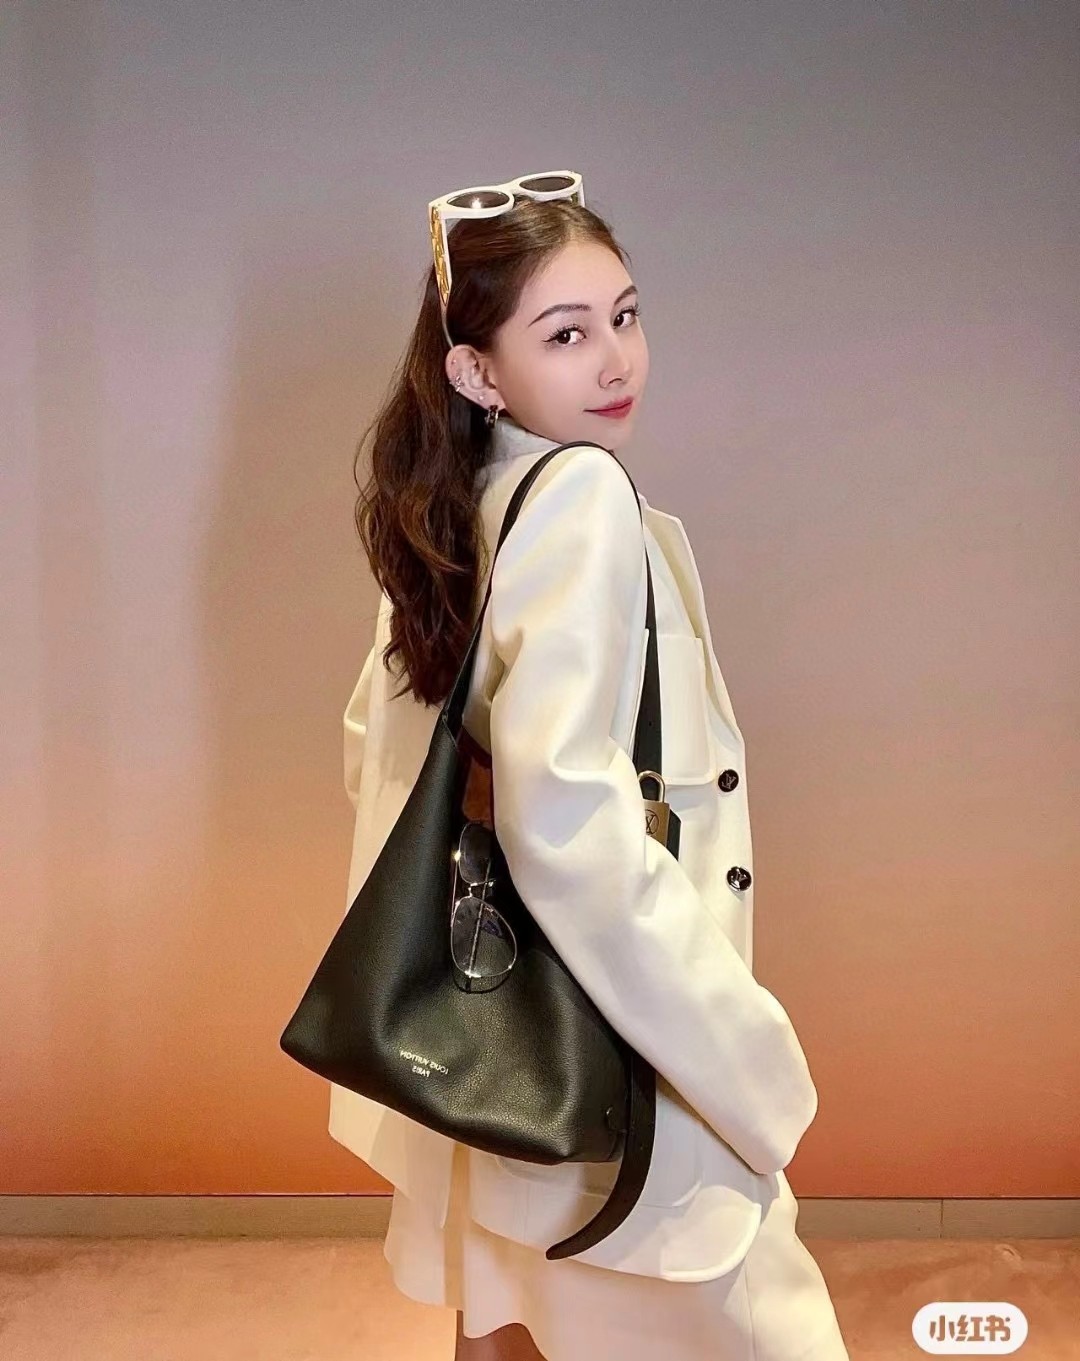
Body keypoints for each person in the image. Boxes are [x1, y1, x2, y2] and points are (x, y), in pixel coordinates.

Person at [330, 172, 850, 1361]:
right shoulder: (579, 498)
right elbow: (562, 814)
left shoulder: (452, 504)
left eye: (625, 315)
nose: (616, 361)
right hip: (622, 1044)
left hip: (501, 1058)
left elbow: (377, 749)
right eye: (565, 335)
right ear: (479, 371)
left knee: (513, 1328)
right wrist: (740, 1049)